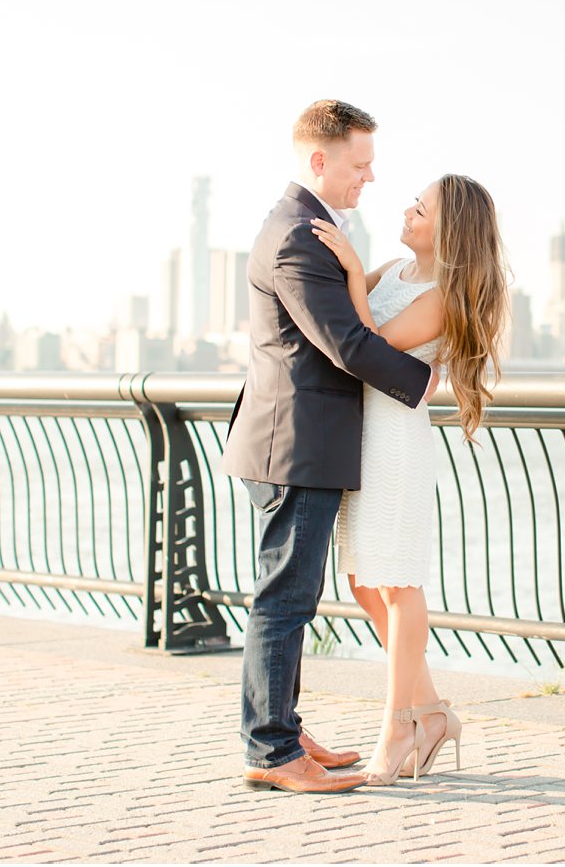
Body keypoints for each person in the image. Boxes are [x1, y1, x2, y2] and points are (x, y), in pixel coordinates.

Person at [221, 100, 435, 796]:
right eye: (361, 163)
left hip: (301, 443)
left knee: (291, 596)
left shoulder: (310, 232)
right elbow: (345, 345)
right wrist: (426, 378)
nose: (370, 177)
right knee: (284, 601)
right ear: (321, 160)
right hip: (296, 447)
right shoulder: (297, 238)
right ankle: (273, 749)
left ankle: (281, 726)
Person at [308, 172, 508, 785]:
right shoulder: (393, 270)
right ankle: (433, 715)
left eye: (421, 209)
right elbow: (341, 323)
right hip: (360, 438)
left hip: (396, 444)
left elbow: (371, 343)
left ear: (450, 231)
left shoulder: (447, 295)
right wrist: (348, 273)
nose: (408, 211)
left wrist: (349, 268)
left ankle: (398, 726)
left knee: (396, 583)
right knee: (365, 583)